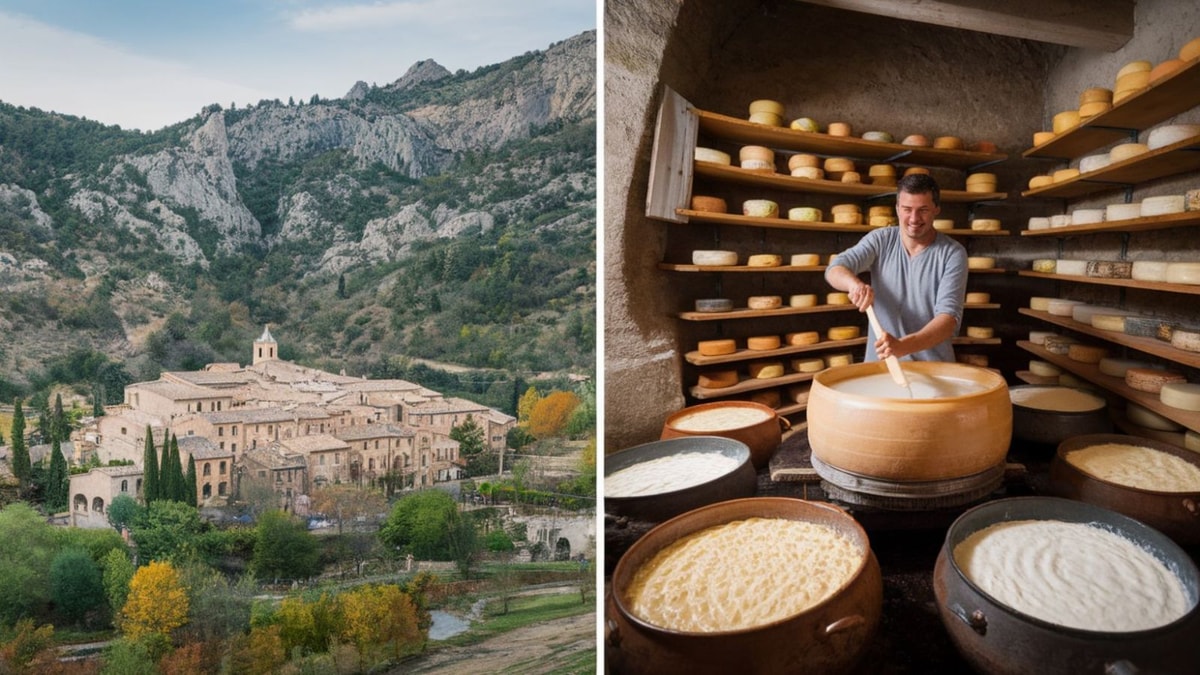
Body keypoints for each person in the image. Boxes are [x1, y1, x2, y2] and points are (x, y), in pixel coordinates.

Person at [824, 173, 967, 363]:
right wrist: (854, 285)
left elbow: (948, 319)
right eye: (907, 209)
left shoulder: (952, 253)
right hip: (882, 365)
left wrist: (903, 346)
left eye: (923, 210)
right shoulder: (880, 240)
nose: (914, 218)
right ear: (897, 209)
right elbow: (835, 268)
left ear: (936, 209)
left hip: (933, 367)